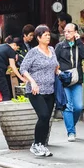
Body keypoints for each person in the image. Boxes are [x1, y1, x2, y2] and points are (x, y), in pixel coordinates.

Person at [20, 25, 58, 157]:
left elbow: (55, 65)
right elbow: (23, 68)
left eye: (49, 34)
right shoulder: (33, 52)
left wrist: (59, 72)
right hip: (35, 90)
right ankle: (36, 144)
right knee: (43, 115)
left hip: (50, 89)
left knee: (47, 118)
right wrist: (32, 82)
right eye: (45, 35)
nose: (48, 37)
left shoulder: (52, 50)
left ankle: (42, 144)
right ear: (38, 37)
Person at [55, 23, 84, 142]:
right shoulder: (60, 46)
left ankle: (71, 125)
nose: (67, 34)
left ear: (75, 32)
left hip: (76, 80)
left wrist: (79, 42)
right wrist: (58, 72)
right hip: (64, 80)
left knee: (79, 106)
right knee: (68, 107)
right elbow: (54, 62)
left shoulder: (78, 45)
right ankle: (71, 131)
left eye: (69, 31)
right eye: (65, 31)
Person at [0, 36, 24, 109]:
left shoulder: (0, 46)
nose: (16, 50)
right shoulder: (10, 50)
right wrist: (21, 77)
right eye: (17, 48)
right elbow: (13, 66)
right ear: (14, 45)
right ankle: (5, 111)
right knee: (6, 93)